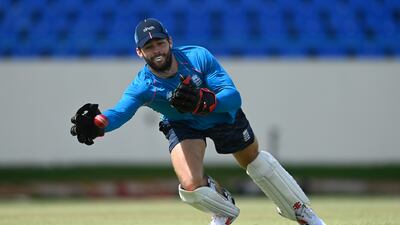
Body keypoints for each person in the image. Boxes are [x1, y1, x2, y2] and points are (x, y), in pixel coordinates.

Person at [70, 18, 326, 225]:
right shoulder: (143, 86)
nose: (156, 51)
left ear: (170, 41)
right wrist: (100, 123)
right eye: (148, 47)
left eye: (159, 43)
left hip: (221, 115)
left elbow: (233, 97)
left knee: (256, 163)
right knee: (191, 185)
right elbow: (120, 112)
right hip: (183, 125)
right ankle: (224, 210)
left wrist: (207, 101)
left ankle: (301, 212)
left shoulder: (197, 57)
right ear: (139, 52)